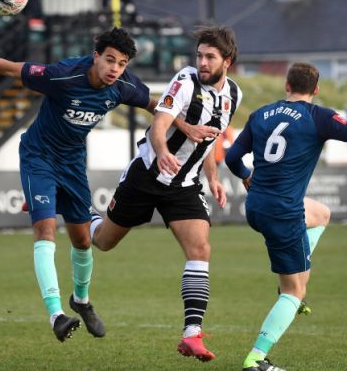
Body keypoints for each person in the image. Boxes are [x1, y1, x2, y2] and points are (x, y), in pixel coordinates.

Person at [0, 27, 157, 343]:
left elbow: (157, 106)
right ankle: (56, 315)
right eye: (109, 60)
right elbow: (10, 68)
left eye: (121, 63)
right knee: (45, 229)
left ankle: (81, 300)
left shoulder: (124, 85)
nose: (114, 69)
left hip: (72, 163)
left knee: (82, 241)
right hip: (38, 156)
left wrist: (187, 126)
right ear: (96, 56)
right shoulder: (62, 75)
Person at [225, 63, 347, 371]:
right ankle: (256, 358)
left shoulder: (260, 114)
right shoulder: (318, 117)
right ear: (315, 89)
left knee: (321, 213)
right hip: (283, 212)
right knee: (294, 292)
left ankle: (295, 274)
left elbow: (232, 157)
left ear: (286, 85)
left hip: (256, 206)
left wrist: (246, 176)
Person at [89, 26, 241, 362]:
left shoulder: (234, 94)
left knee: (200, 248)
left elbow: (209, 140)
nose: (202, 62)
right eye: (199, 55)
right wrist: (162, 152)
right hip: (146, 175)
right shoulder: (185, 81)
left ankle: (192, 334)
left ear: (227, 61)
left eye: (210, 57)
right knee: (103, 242)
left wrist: (213, 176)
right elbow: (160, 124)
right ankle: (79, 208)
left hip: (183, 186)